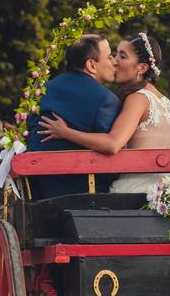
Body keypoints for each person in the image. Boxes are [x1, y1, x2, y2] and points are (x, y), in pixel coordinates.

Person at [37, 32, 170, 193]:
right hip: (164, 189)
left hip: (135, 191)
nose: (115, 61)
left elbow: (112, 144)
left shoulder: (138, 99)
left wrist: (65, 132)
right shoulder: (165, 101)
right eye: (115, 54)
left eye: (122, 56)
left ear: (142, 68)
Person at [26, 34, 120, 198]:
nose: (114, 62)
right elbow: (111, 158)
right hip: (85, 195)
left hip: (36, 192)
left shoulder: (43, 91)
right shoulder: (105, 99)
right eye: (109, 57)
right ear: (91, 65)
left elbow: (30, 134)